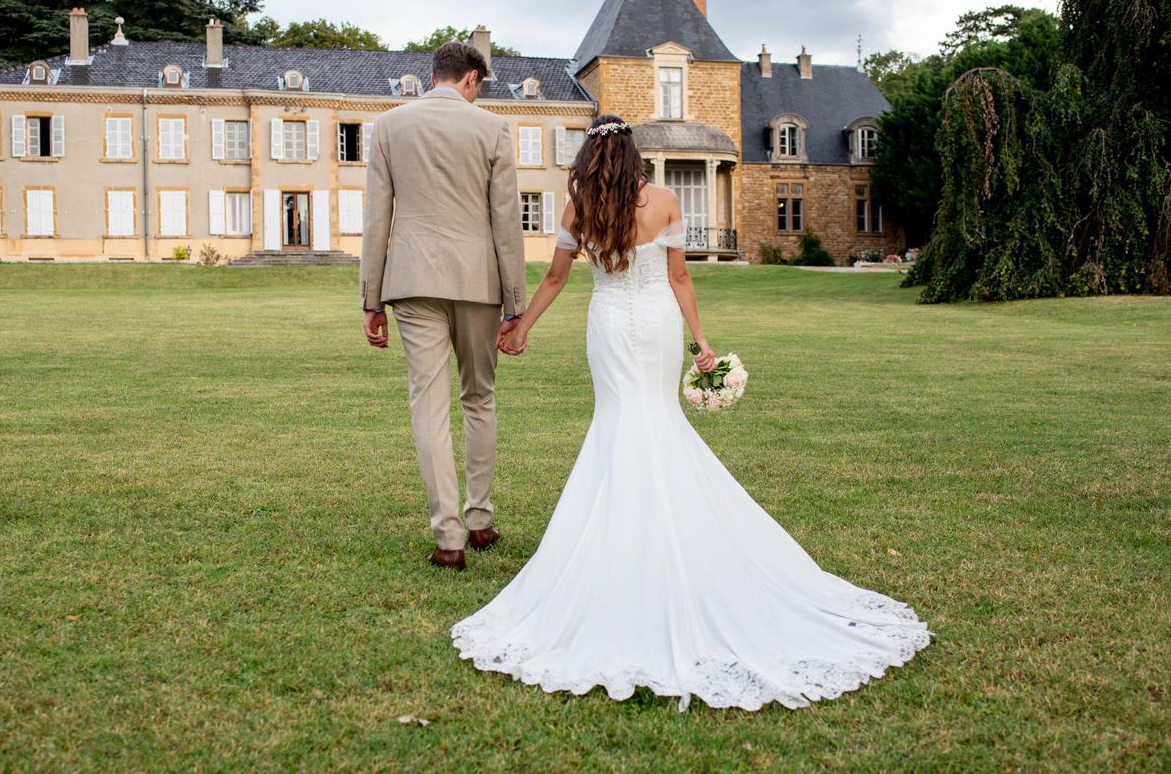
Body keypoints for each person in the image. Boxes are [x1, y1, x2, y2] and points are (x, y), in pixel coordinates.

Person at [453, 114, 932, 711]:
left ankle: (622, 551)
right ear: (632, 154)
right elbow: (679, 277)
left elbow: (554, 278)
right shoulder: (663, 200)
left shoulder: (578, 208)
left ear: (590, 157)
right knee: (653, 421)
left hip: (607, 324)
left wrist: (521, 325)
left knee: (620, 423)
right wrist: (700, 341)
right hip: (654, 324)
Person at [360, 42, 526, 572]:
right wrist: (516, 304)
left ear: (435, 76)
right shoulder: (493, 129)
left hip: (410, 280)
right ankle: (480, 519)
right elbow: (506, 223)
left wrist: (371, 299)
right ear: (473, 79)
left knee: (428, 406)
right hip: (479, 280)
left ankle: (448, 536)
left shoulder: (388, 127)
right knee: (479, 397)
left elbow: (375, 221)